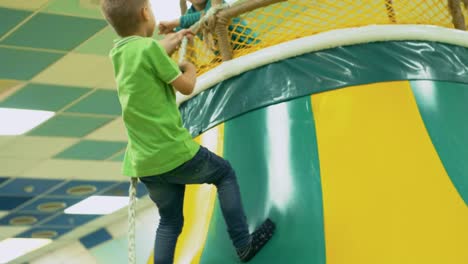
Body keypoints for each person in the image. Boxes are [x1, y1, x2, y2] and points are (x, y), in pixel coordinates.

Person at [100, 0, 275, 263]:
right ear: (145, 12)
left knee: (169, 221)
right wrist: (189, 68)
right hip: (171, 151)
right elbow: (186, 86)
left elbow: (143, 59)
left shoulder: (118, 54)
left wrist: (167, 45)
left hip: (144, 162)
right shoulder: (150, 49)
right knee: (224, 174)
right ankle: (242, 243)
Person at [159, 0, 259, 50]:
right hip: (226, 55)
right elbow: (179, 31)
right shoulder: (188, 15)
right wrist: (171, 32)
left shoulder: (216, 4)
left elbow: (210, 14)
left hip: (249, 46)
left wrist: (175, 22)